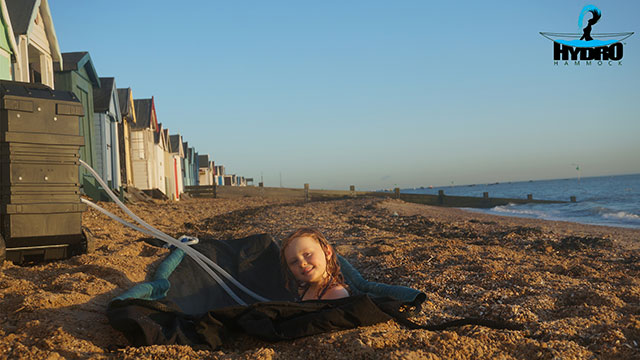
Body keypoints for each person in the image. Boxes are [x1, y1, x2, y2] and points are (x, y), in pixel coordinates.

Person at [280, 228, 349, 301]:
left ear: (327, 252)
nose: (302, 263)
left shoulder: (336, 293)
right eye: (294, 261)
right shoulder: (303, 290)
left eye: (307, 254)